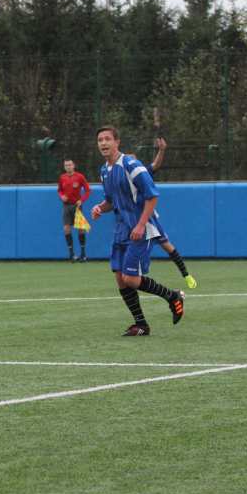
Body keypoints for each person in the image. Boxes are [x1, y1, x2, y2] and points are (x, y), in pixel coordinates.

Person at [90, 126, 185, 336]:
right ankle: (141, 324)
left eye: (107, 139)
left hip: (140, 229)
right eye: (100, 140)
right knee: (120, 278)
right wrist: (100, 208)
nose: (103, 143)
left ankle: (173, 297)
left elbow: (152, 195)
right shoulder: (104, 170)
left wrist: (141, 225)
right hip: (121, 230)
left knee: (131, 279)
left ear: (117, 142)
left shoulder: (131, 165)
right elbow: (110, 201)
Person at [146, 136, 197, 288]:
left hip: (147, 219)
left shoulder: (141, 173)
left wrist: (162, 150)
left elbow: (155, 165)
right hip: (130, 221)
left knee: (166, 245)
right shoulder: (119, 177)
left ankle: (186, 274)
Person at [57, 158, 91, 262]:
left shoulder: (79, 177)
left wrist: (82, 200)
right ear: (64, 167)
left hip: (77, 206)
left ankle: (83, 254)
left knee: (80, 228)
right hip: (66, 206)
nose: (68, 167)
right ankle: (71, 254)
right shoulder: (62, 177)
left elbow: (88, 190)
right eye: (66, 165)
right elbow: (59, 190)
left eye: (70, 165)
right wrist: (61, 196)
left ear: (73, 165)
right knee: (66, 228)